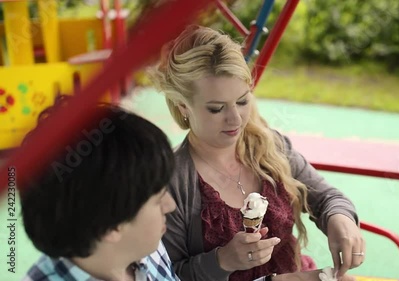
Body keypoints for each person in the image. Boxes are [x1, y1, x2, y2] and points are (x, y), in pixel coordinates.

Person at [149, 25, 365, 281]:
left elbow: (326, 197)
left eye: (242, 101)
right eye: (217, 109)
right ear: (183, 106)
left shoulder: (267, 144)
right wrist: (221, 261)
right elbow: (168, 275)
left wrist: (340, 220)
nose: (235, 120)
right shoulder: (171, 182)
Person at [19, 102, 180, 281]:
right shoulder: (142, 241)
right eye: (158, 199)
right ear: (109, 228)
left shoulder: (145, 247)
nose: (171, 205)